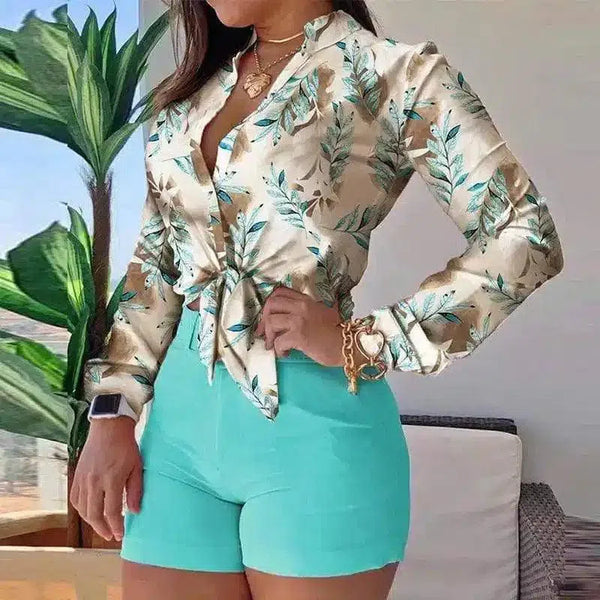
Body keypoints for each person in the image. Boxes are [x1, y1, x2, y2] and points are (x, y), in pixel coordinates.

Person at [71, 1, 565, 599]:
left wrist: (368, 340)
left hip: (315, 443)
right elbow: (154, 267)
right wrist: (112, 412)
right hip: (176, 443)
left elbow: (524, 235)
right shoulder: (190, 98)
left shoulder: (394, 74)